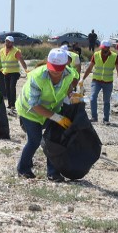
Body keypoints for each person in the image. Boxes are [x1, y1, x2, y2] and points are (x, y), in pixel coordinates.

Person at [16, 48, 79, 182]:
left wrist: (71, 95)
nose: (55, 71)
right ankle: (23, 169)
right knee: (34, 140)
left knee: (53, 140)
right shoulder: (37, 77)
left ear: (65, 66)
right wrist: (57, 118)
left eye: (59, 68)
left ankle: (53, 172)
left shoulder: (69, 73)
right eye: (52, 68)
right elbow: (35, 104)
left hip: (51, 110)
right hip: (29, 111)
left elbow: (71, 84)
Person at [79, 39, 118, 125]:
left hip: (108, 82)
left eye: (104, 48)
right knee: (93, 98)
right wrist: (82, 79)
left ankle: (106, 119)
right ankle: (94, 117)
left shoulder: (114, 56)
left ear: (108, 48)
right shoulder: (96, 55)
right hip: (96, 81)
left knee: (106, 101)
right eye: (101, 48)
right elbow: (90, 68)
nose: (102, 50)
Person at [0, 36, 29, 114]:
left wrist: (26, 70)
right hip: (6, 72)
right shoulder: (2, 50)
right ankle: (10, 105)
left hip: (14, 73)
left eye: (9, 42)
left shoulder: (16, 51)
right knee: (7, 89)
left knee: (12, 87)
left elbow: (22, 61)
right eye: (6, 41)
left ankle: (13, 105)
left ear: (12, 43)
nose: (7, 43)